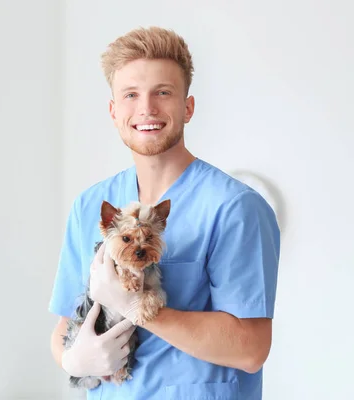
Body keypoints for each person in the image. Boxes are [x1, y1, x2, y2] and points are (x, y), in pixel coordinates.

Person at [48, 26, 280, 400]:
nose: (147, 109)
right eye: (130, 95)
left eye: (163, 92)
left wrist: (138, 307)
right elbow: (63, 329)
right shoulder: (90, 206)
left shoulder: (235, 209)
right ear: (113, 111)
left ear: (187, 107)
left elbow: (250, 349)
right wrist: (75, 361)